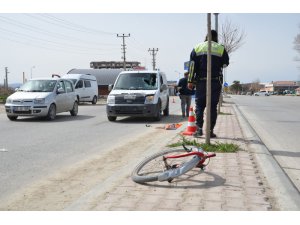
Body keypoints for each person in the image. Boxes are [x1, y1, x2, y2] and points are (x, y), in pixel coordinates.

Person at [187, 30, 229, 138]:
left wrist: (190, 81)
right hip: (215, 82)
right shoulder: (220, 48)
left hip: (201, 81)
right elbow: (225, 64)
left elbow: (192, 66)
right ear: (216, 37)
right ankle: (210, 131)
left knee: (200, 106)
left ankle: (199, 129)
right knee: (212, 107)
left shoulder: (197, 47)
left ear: (206, 36)